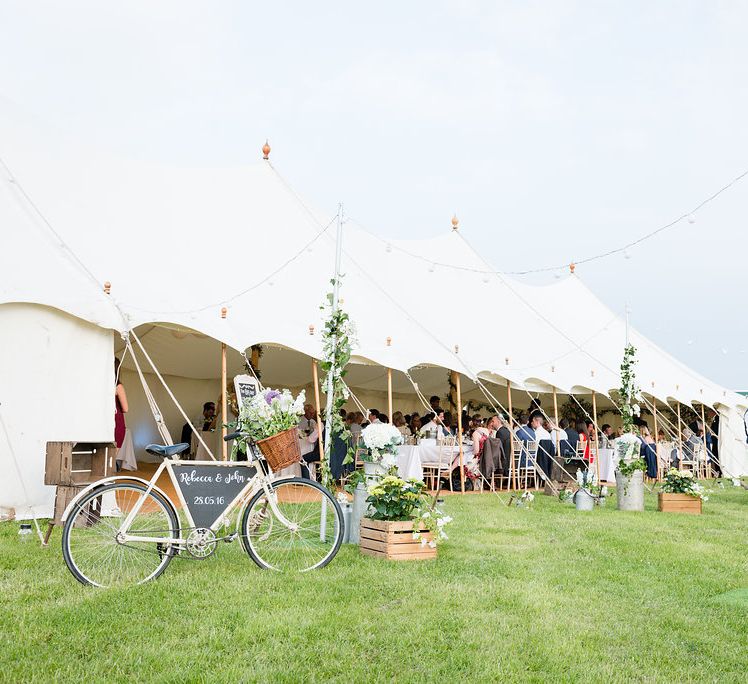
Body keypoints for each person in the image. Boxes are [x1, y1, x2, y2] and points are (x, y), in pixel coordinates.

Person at [298, 404, 320, 479]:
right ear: (305, 412)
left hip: (312, 444)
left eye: (313, 413)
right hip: (302, 444)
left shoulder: (314, 422)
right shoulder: (299, 421)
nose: (312, 414)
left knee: (308, 459)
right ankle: (303, 478)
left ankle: (310, 477)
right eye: (310, 413)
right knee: (302, 457)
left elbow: (313, 437)